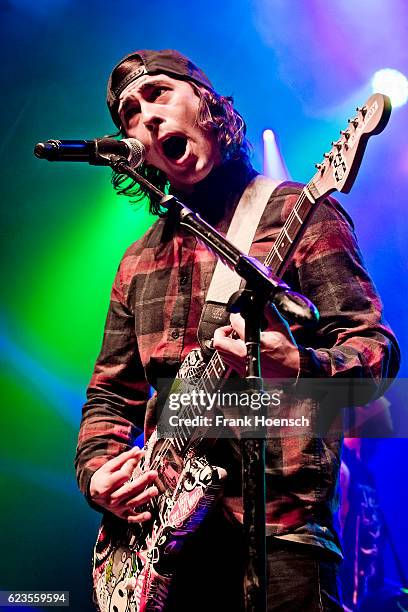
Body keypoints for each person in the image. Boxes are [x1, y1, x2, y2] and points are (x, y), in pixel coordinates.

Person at [75, 49, 400, 611]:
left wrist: (301, 366)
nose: (146, 116)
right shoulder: (134, 263)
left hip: (280, 535)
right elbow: (109, 396)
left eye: (159, 94)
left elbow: (376, 358)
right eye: (130, 112)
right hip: (164, 544)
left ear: (208, 106)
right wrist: (99, 473)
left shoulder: (301, 214)